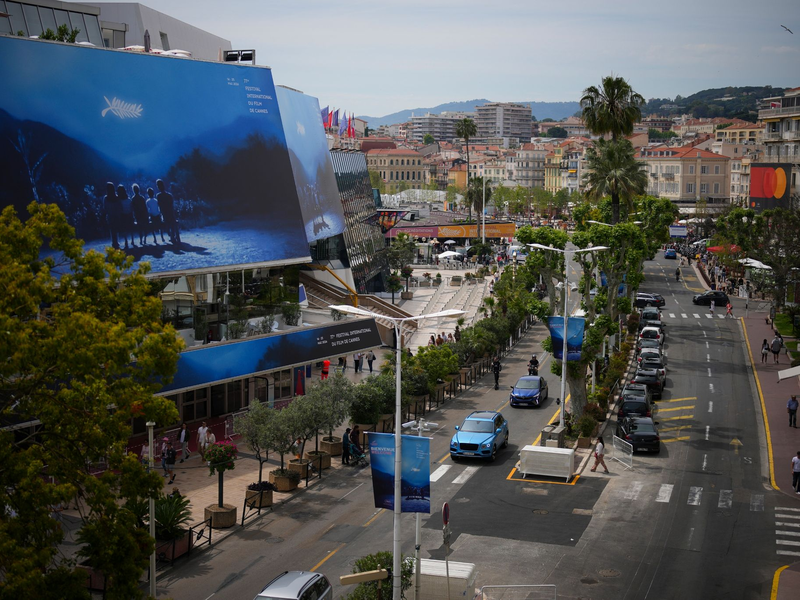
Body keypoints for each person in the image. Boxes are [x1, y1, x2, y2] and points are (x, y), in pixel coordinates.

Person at [156, 179, 179, 244]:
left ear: (158, 187)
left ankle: (171, 235)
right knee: (171, 221)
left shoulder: (158, 196)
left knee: (166, 222)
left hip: (165, 215)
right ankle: (172, 235)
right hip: (171, 214)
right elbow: (171, 206)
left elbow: (160, 207)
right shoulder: (169, 195)